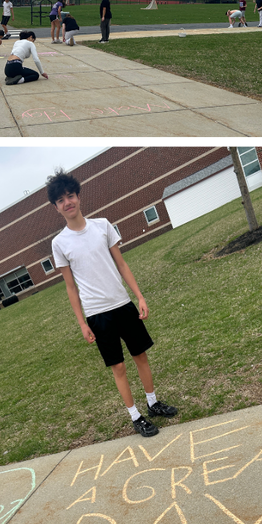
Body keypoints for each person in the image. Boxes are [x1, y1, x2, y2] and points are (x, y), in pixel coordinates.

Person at [47, 169, 178, 438]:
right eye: (60, 200)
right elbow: (70, 287)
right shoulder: (59, 243)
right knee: (118, 366)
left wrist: (139, 296)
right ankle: (135, 416)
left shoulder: (103, 225)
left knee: (140, 355)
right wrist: (82, 323)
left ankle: (153, 403)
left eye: (70, 196)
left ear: (78, 196)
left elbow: (121, 264)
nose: (67, 202)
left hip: (122, 304)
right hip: (97, 314)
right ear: (56, 207)